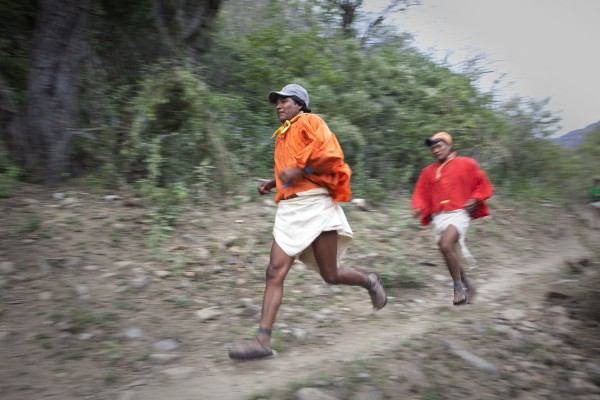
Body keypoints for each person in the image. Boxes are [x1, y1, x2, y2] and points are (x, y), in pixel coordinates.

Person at [228, 84, 387, 360]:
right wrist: (273, 181)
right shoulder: (281, 136)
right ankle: (261, 341)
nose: (278, 105)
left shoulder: (310, 121)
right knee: (274, 272)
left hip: (316, 205)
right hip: (290, 209)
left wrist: (301, 170)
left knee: (331, 274)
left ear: (299, 104)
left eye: (284, 100)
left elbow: (331, 155)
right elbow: (291, 171)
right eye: (276, 102)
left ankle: (369, 281)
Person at [411, 132, 493, 306]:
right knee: (449, 252)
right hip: (439, 217)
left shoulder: (467, 163)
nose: (436, 150)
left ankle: (458, 287)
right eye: (433, 148)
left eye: (439, 146)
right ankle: (469, 285)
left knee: (445, 245)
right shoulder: (428, 172)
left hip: (459, 214)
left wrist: (476, 197)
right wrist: (419, 208)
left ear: (449, 146)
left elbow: (483, 183)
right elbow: (421, 193)